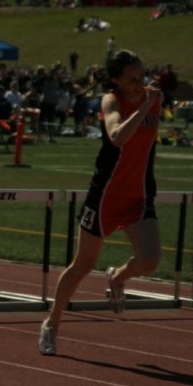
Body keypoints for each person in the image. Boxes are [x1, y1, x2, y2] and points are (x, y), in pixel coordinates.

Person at [39, 50, 163, 356]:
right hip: (105, 194)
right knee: (83, 264)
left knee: (149, 261)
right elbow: (117, 136)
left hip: (139, 195)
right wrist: (144, 105)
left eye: (142, 76)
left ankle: (117, 277)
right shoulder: (111, 101)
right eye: (132, 79)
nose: (139, 83)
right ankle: (52, 323)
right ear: (117, 81)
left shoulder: (154, 98)